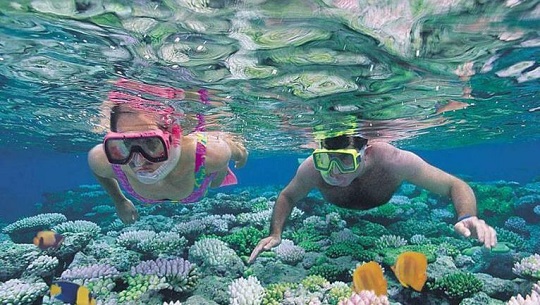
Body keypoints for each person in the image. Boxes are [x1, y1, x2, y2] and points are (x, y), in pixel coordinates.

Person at [249, 134, 497, 263]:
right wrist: (275, 233)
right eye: (325, 159)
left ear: (365, 154)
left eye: (345, 159)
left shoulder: (394, 161)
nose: (334, 171)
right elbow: (288, 195)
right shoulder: (312, 169)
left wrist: (467, 216)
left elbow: (455, 184)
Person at [88, 103, 248, 224]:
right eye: (126, 143)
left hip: (203, 171)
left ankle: (221, 170)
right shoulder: (105, 158)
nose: (139, 160)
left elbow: (236, 151)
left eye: (150, 142)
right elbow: (97, 171)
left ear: (173, 138)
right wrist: (119, 200)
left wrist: (241, 154)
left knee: (215, 182)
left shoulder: (211, 154)